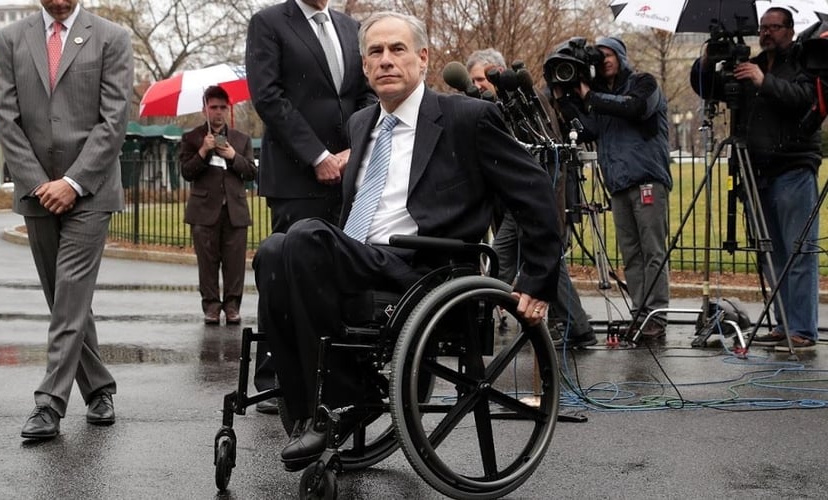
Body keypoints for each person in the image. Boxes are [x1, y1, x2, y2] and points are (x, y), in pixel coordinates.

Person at [252, 10, 564, 471]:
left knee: (302, 238)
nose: (386, 60)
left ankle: (340, 400)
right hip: (363, 257)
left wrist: (536, 280)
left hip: (425, 267)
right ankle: (309, 412)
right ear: (364, 68)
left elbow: (535, 193)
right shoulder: (361, 124)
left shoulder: (468, 117)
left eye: (397, 50)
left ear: (422, 58)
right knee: (273, 250)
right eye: (375, 52)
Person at [0, 0, 133, 440]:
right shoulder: (10, 38)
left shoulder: (112, 37)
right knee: (64, 299)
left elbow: (114, 121)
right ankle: (99, 388)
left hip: (90, 189)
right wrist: (38, 183)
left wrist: (72, 182)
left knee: (70, 289)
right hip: (37, 191)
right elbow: (7, 119)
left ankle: (50, 402)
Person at [245, 0, 376, 410]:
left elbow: (365, 93)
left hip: (349, 170)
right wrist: (317, 156)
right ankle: (274, 375)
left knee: (337, 272)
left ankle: (330, 370)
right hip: (296, 174)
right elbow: (268, 97)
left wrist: (353, 150)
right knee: (285, 269)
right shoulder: (268, 23)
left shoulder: (350, 26)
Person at [691, 7, 822, 348]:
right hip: (756, 169)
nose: (766, 33)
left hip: (793, 166)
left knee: (798, 251)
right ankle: (782, 324)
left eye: (774, 27)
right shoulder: (753, 64)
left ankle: (803, 330)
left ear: (790, 30)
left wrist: (765, 82)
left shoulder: (805, 62)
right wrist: (706, 61)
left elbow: (806, 99)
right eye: (763, 28)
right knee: (771, 254)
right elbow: (707, 88)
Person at [466, 47, 595, 348]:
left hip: (531, 198)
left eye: (483, 78)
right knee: (535, 263)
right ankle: (577, 327)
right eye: (473, 80)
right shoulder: (490, 106)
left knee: (503, 258)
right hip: (513, 201)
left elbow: (547, 153)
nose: (478, 85)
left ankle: (478, 322)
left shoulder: (525, 103)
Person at [554, 36, 671, 340]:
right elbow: (590, 129)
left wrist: (589, 95)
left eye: (610, 54)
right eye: (599, 56)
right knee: (632, 254)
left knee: (653, 250)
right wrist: (567, 100)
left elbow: (636, 108)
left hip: (647, 180)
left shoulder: (642, 82)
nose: (604, 60)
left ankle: (655, 316)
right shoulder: (601, 96)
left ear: (621, 56)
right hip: (618, 184)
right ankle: (639, 314)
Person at [179, 86, 258, 325]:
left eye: (223, 107)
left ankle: (232, 306)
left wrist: (233, 156)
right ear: (205, 109)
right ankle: (211, 307)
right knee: (207, 263)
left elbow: (252, 172)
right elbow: (186, 172)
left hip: (235, 211)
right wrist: (204, 150)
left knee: (235, 264)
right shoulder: (192, 138)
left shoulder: (241, 140)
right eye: (213, 107)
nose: (218, 112)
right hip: (204, 212)